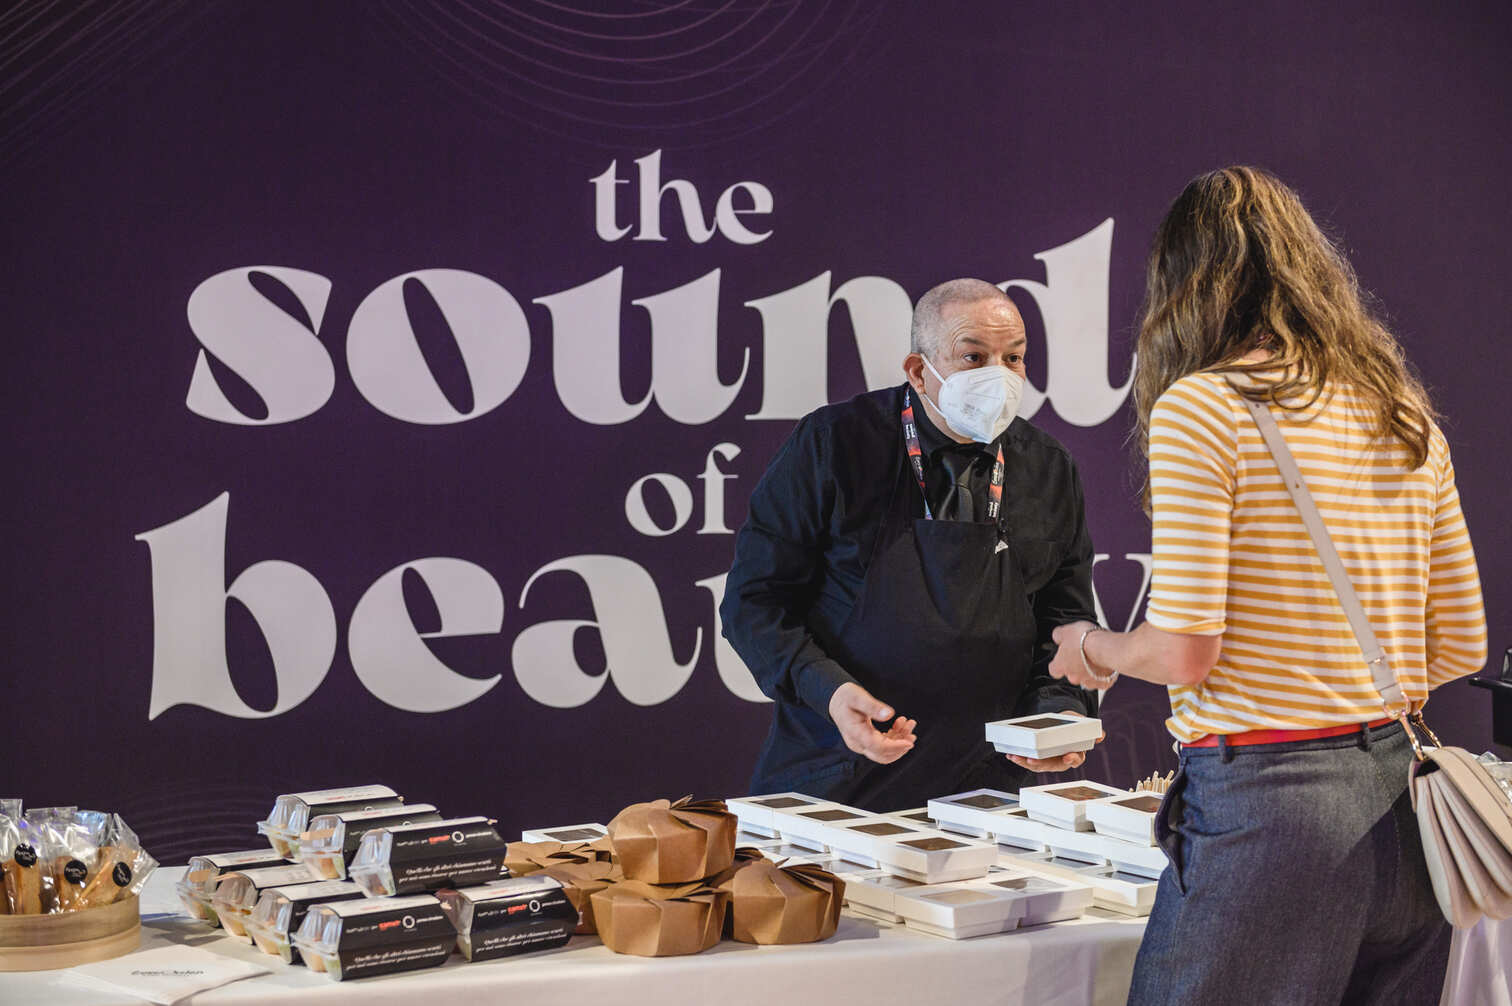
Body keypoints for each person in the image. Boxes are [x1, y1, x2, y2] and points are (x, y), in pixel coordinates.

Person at [1048, 167, 1488, 1004]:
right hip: (1407, 806)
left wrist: (1093, 647)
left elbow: (1185, 651)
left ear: (1183, 286)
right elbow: (1463, 643)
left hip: (1270, 814)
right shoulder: (1400, 411)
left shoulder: (1203, 407)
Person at [721, 278, 1104, 811]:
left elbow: (1064, 619)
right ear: (919, 371)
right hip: (835, 774)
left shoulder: (1048, 467)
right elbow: (754, 603)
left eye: (1013, 358)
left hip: (990, 788)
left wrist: (1058, 713)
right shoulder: (833, 444)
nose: (998, 375)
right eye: (974, 357)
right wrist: (828, 691)